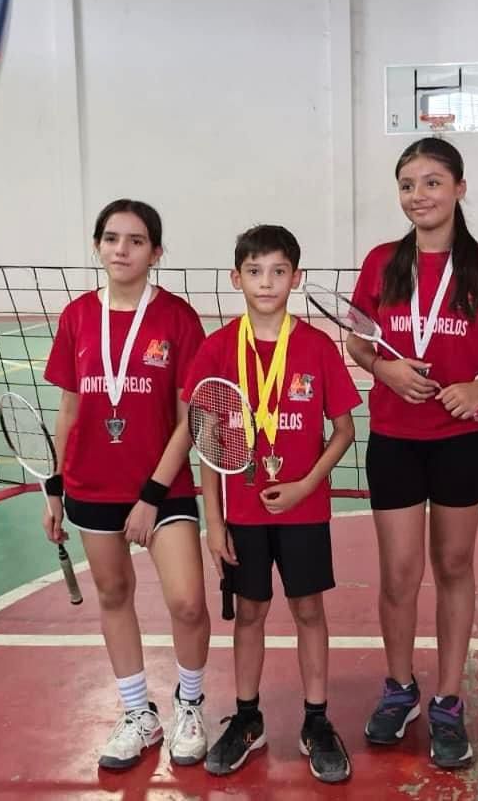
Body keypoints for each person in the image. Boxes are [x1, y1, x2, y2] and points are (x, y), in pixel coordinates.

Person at [346, 137, 478, 769]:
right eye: (406, 185)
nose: (417, 196)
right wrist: (386, 372)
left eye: (431, 182)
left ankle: (448, 698)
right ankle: (400, 688)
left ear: (458, 188)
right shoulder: (378, 264)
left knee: (453, 565)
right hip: (395, 438)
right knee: (399, 573)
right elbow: (357, 345)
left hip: (464, 440)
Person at [183, 224, 362, 784]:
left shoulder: (314, 346)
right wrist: (215, 520)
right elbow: (206, 439)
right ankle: (246, 718)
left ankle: (316, 720)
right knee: (252, 615)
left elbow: (344, 430)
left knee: (310, 611)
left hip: (304, 510)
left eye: (279, 271)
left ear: (296, 278)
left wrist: (308, 483)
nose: (267, 282)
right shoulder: (216, 348)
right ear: (236, 278)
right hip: (242, 515)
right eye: (255, 271)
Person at [42, 199, 211, 770]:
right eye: (111, 238)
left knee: (187, 603)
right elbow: (69, 410)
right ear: (97, 246)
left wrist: (152, 496)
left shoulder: (179, 319)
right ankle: (139, 713)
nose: (122, 249)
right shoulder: (76, 317)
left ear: (156, 253)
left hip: (163, 487)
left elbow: (193, 417)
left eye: (136, 240)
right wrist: (54, 487)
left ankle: (189, 705)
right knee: (114, 596)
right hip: (91, 485)